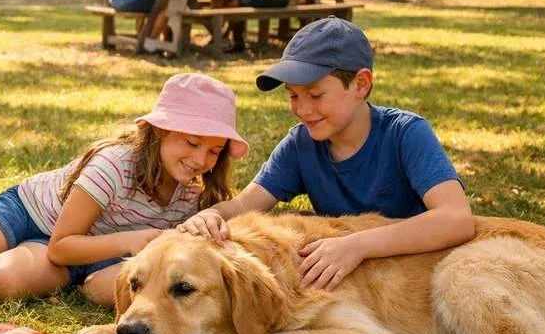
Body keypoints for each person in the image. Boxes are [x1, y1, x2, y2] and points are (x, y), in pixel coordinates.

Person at [177, 17, 476, 291]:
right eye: (293, 95)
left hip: (414, 284)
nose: (302, 109)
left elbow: (456, 218)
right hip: (354, 286)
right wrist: (212, 215)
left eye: (316, 95)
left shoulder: (406, 133)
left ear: (360, 85)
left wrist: (356, 245)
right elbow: (245, 204)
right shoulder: (300, 144)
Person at [0, 73, 250, 305]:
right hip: (37, 217)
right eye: (192, 142)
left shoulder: (197, 193)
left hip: (89, 252)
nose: (201, 159)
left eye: (214, 150)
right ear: (160, 130)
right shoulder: (114, 165)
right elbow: (61, 245)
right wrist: (133, 239)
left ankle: (4, 252)